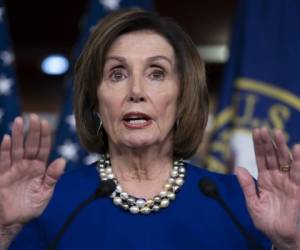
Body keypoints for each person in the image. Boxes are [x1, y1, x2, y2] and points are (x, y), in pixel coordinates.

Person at [0, 8, 300, 250]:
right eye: (117, 74)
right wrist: (3, 231)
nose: (136, 91)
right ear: (95, 101)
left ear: (183, 96)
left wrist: (289, 244)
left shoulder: (240, 205)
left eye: (156, 73)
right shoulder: (43, 205)